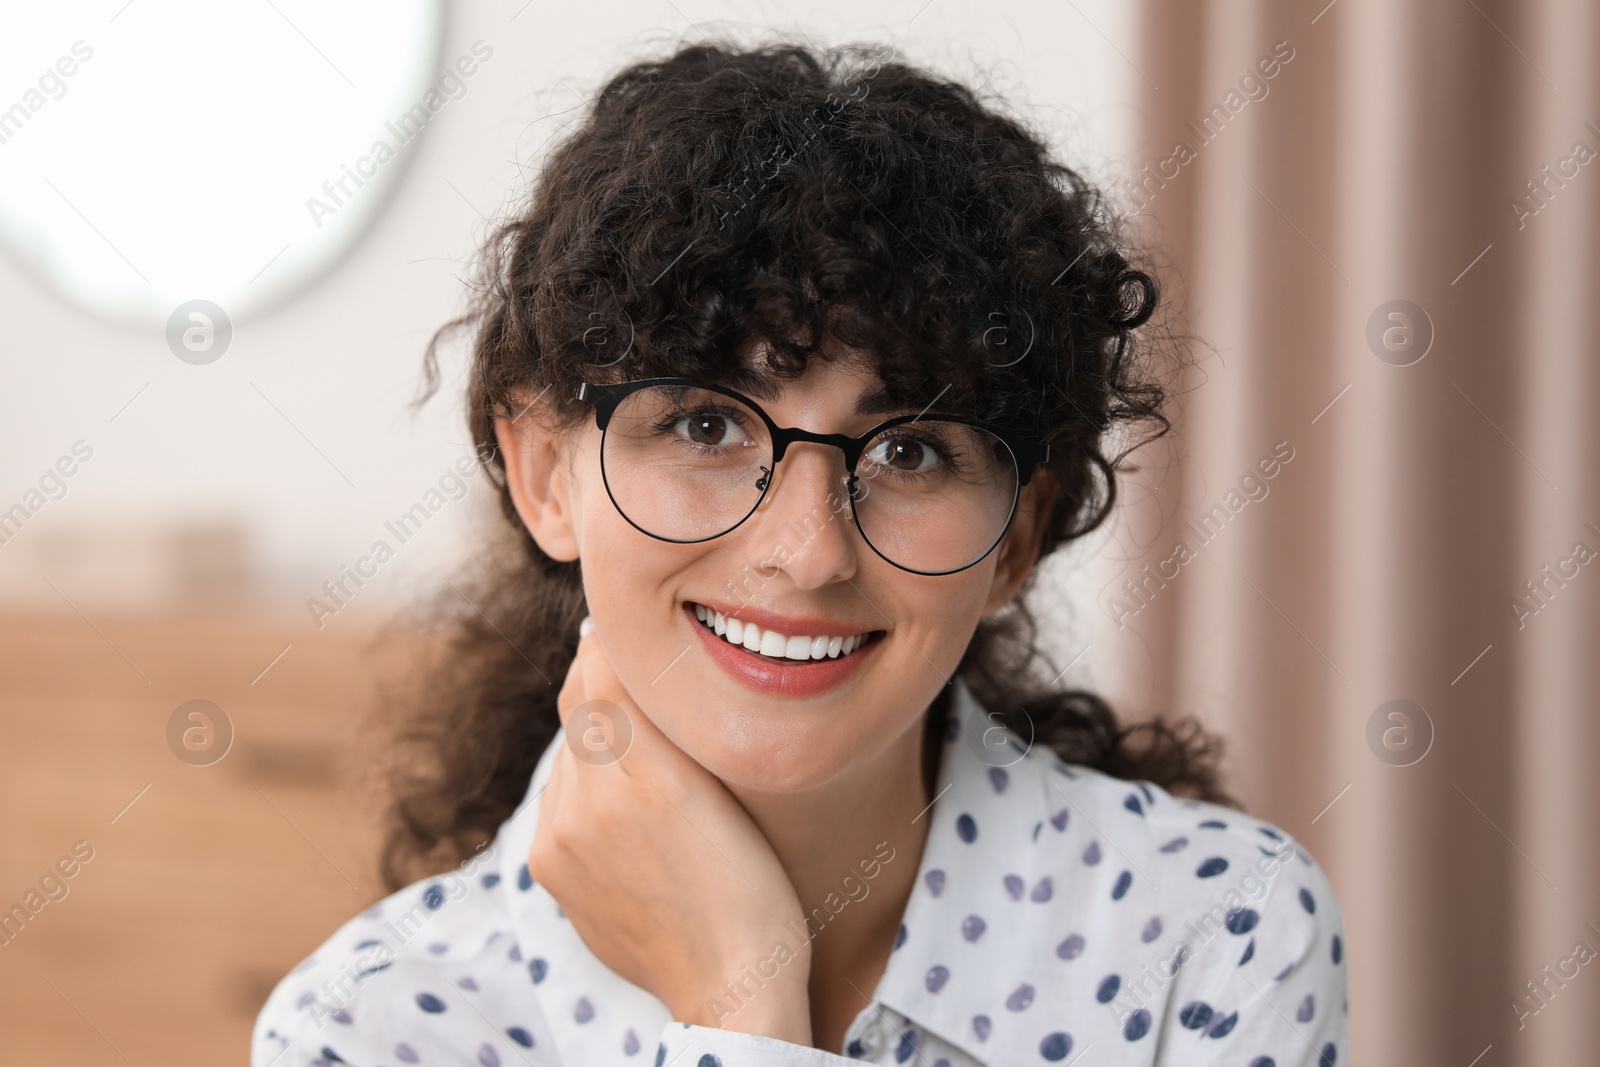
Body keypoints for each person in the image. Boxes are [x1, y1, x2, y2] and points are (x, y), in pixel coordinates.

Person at [253, 38, 1346, 1067]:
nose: (808, 550)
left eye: (912, 448)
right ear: (545, 475)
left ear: (1016, 535)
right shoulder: (369, 1029)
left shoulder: (1215, 930)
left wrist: (740, 999)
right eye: (705, 426)